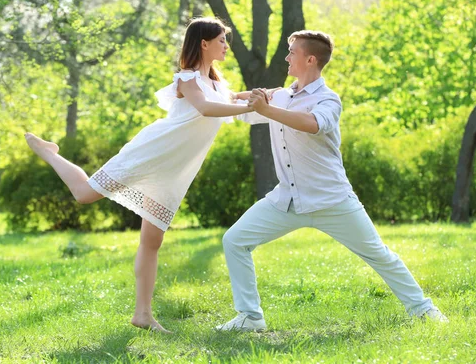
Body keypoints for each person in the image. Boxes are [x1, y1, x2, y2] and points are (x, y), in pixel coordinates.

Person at [25, 17, 263, 333]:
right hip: (153, 152)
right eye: (221, 39)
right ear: (203, 43)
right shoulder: (188, 79)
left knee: (152, 240)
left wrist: (268, 95)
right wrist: (247, 107)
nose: (225, 45)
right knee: (84, 194)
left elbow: (232, 99)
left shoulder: (218, 85)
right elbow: (206, 108)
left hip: (175, 170)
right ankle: (48, 153)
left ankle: (143, 315)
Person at [216, 30, 449, 332]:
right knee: (235, 240)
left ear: (310, 59)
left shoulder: (328, 99)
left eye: (292, 52)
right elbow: (237, 105)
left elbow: (312, 125)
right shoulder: (281, 95)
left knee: (378, 254)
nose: (287, 58)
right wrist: (203, 90)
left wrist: (267, 107)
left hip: (332, 199)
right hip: (286, 200)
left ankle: (423, 310)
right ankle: (250, 317)